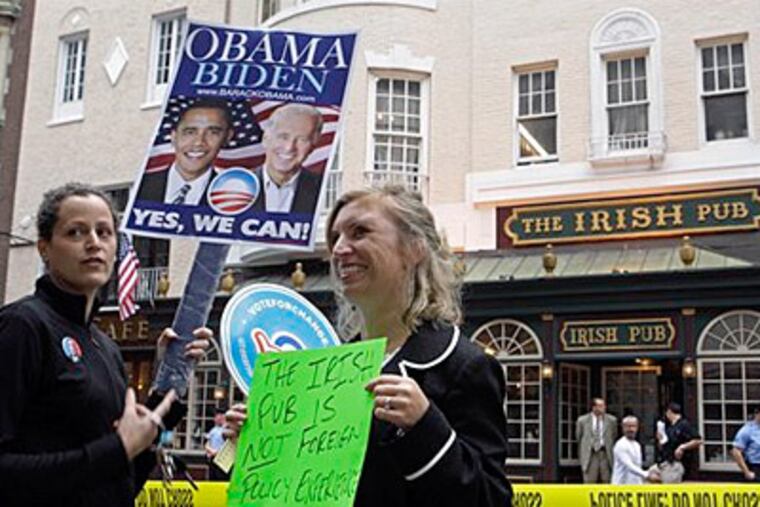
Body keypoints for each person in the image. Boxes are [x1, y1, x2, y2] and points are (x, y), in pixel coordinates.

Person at [227, 185, 511, 506]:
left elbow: (492, 499)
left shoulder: (464, 365)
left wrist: (425, 426)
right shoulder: (325, 370)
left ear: (414, 248)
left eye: (359, 232)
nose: (339, 250)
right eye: (335, 239)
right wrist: (248, 450)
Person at [0, 183, 210, 506]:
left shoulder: (107, 349)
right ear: (44, 248)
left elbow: (120, 479)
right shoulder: (23, 326)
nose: (94, 243)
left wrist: (169, 390)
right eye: (75, 232)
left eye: (104, 232)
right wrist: (117, 449)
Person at [136, 98, 234, 206]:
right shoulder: (140, 186)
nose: (198, 142)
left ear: (227, 137)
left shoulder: (231, 199)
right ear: (173, 137)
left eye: (213, 133)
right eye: (190, 132)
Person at [252, 103, 323, 214]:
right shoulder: (235, 186)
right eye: (283, 137)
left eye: (302, 139)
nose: (289, 147)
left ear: (313, 146)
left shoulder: (323, 189)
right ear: (266, 138)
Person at [654, 402, 702, 483]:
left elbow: (698, 440)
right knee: (649, 475)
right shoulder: (669, 427)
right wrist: (660, 439)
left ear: (669, 412)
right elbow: (664, 445)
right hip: (665, 462)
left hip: (676, 464)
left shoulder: (684, 424)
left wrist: (682, 447)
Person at [576, 397, 617, 483]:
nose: (603, 408)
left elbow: (614, 436)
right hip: (591, 454)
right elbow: (579, 437)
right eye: (600, 406)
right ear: (594, 407)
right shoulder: (582, 421)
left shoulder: (612, 420)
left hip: (605, 454)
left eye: (603, 406)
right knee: (590, 481)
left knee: (607, 480)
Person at [611, 416, 661, 485]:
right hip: (621, 486)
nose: (631, 429)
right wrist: (647, 475)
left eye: (633, 426)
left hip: (635, 486)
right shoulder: (620, 445)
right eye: (628, 426)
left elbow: (638, 466)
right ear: (623, 428)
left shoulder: (637, 445)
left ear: (637, 427)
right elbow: (629, 466)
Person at [731, 405, 760, 482]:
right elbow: (736, 451)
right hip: (755, 466)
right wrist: (746, 472)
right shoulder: (747, 430)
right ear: (757, 414)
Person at [204, 408, 229, 480]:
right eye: (216, 417)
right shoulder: (213, 430)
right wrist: (210, 451)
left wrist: (217, 452)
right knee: (212, 477)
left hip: (223, 458)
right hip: (212, 457)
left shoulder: (227, 429)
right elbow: (207, 443)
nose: (217, 418)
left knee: (221, 477)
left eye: (220, 416)